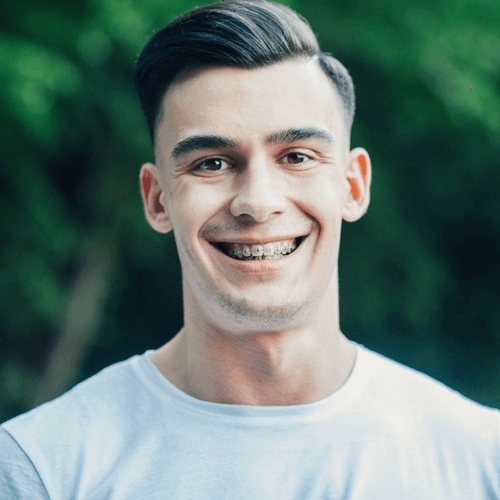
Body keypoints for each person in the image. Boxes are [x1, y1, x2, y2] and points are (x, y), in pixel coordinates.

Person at [1, 0, 499, 498]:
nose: (257, 203)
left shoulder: (481, 461)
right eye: (212, 164)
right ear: (156, 199)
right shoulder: (41, 470)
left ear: (353, 185)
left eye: (297, 157)